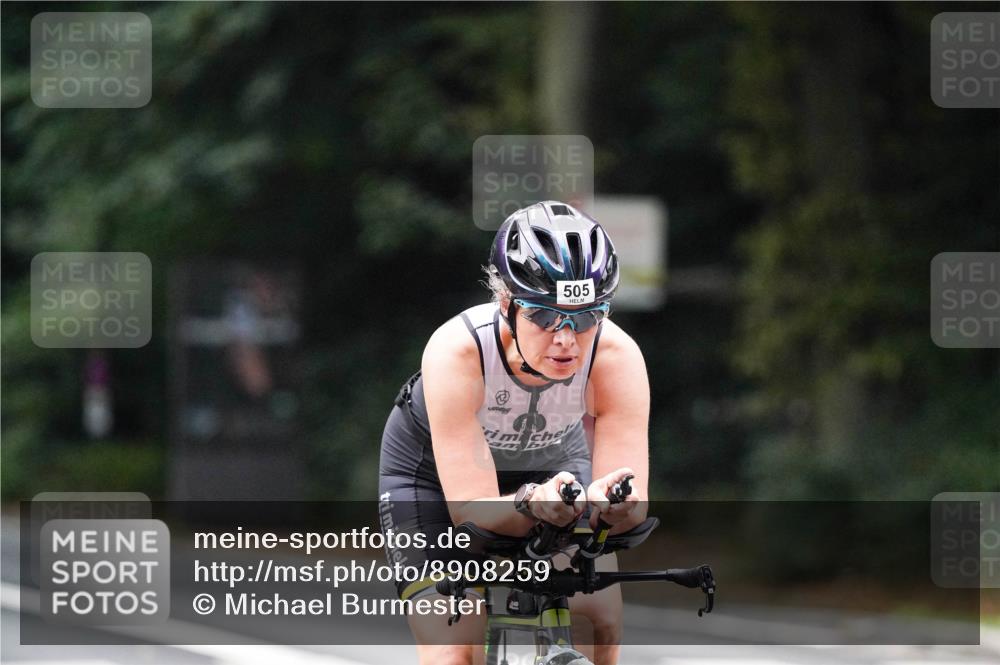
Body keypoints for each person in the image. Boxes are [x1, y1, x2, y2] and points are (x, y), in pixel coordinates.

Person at [378, 201, 650, 665]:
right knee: (452, 647)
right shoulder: (457, 351)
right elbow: (472, 512)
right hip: (433, 481)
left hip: (554, 467)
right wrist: (530, 502)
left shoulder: (617, 357)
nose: (566, 339)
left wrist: (611, 506)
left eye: (586, 317)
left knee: (599, 618)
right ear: (506, 303)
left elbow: (631, 506)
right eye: (544, 316)